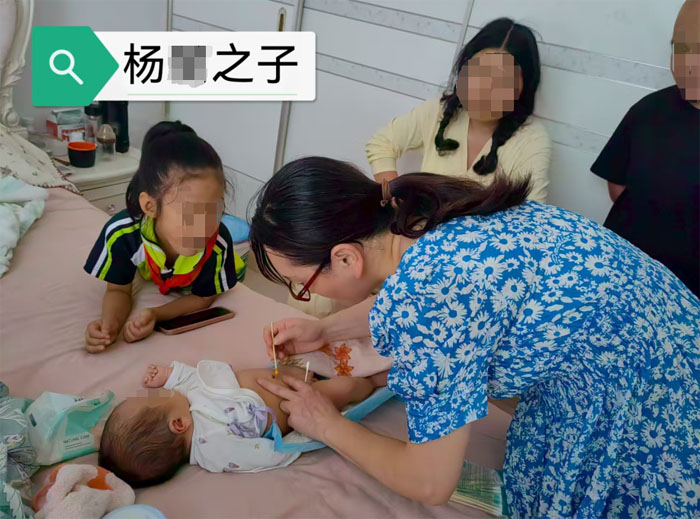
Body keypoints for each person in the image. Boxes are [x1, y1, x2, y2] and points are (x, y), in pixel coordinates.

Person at [249, 156, 699, 518]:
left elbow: (429, 482)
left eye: (302, 285)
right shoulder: (420, 216)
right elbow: (444, 298)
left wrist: (324, 424)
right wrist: (325, 329)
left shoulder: (430, 293)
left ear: (346, 258)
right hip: (666, 333)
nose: (305, 296)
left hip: (657, 393)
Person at [83, 121, 244, 352]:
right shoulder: (123, 234)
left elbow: (204, 297)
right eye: (190, 213)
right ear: (150, 206)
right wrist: (109, 326)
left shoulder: (218, 243)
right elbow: (118, 289)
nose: (204, 227)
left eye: (215, 211)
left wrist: (156, 314)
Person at [99, 360, 383, 487]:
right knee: (343, 388)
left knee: (306, 364)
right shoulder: (213, 449)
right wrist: (291, 445)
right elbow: (260, 454)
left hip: (280, 376)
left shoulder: (186, 404)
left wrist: (168, 375)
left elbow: (189, 378)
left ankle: (316, 373)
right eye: (154, 398)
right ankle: (373, 382)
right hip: (299, 401)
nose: (158, 393)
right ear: (178, 425)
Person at [366, 17, 551, 202]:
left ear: (523, 87)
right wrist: (394, 198)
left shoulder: (531, 139)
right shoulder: (439, 111)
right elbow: (382, 142)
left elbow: (530, 212)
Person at [591, 0, 700, 297]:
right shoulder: (648, 110)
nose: (687, 64)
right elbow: (617, 183)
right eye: (680, 49)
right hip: (620, 275)